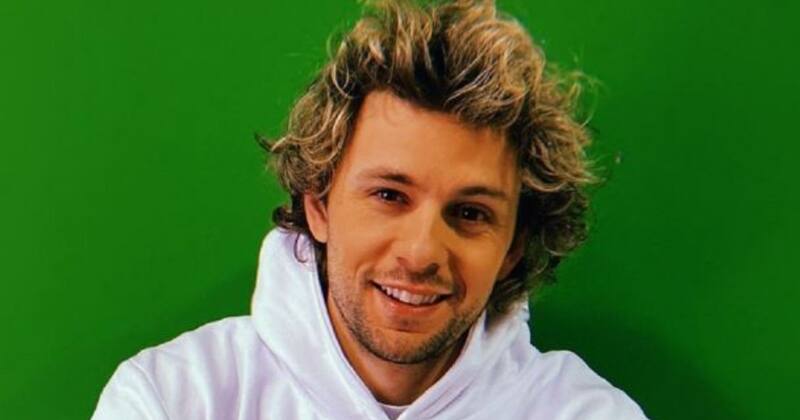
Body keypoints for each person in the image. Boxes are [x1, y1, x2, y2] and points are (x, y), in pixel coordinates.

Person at [92, 1, 648, 419]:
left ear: (513, 248)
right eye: (389, 196)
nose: (421, 252)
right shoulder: (172, 400)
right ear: (318, 205)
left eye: (470, 213)